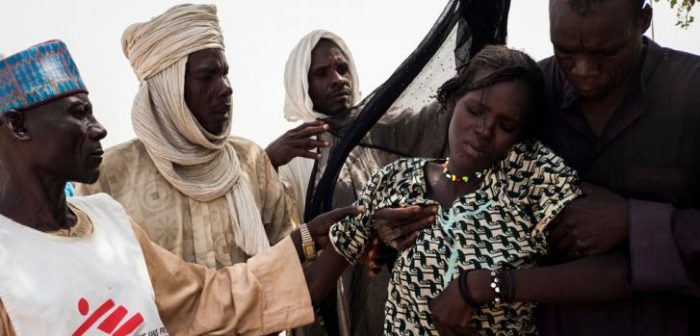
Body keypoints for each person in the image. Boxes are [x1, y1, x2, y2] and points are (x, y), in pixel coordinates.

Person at [377, 0, 700, 334]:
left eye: (607, 52)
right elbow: (463, 189)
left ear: (643, 19)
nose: (584, 70)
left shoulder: (691, 92)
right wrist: (398, 222)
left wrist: (634, 222)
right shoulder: (524, 95)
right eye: (565, 50)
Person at [0, 39, 360, 336]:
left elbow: (205, 299)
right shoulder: (111, 175)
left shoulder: (109, 220)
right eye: (79, 114)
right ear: (18, 125)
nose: (99, 128)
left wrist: (326, 241)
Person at [77, 4, 298, 268]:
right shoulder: (109, 177)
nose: (226, 89)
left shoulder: (251, 161)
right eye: (207, 77)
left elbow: (288, 265)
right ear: (167, 90)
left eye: (225, 73)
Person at [265, 30, 453, 336]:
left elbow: (442, 123)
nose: (337, 79)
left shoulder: (385, 127)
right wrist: (268, 162)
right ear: (302, 83)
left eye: (342, 69)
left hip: (395, 286)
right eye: (322, 73)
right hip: (328, 293)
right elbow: (279, 243)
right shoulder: (296, 154)